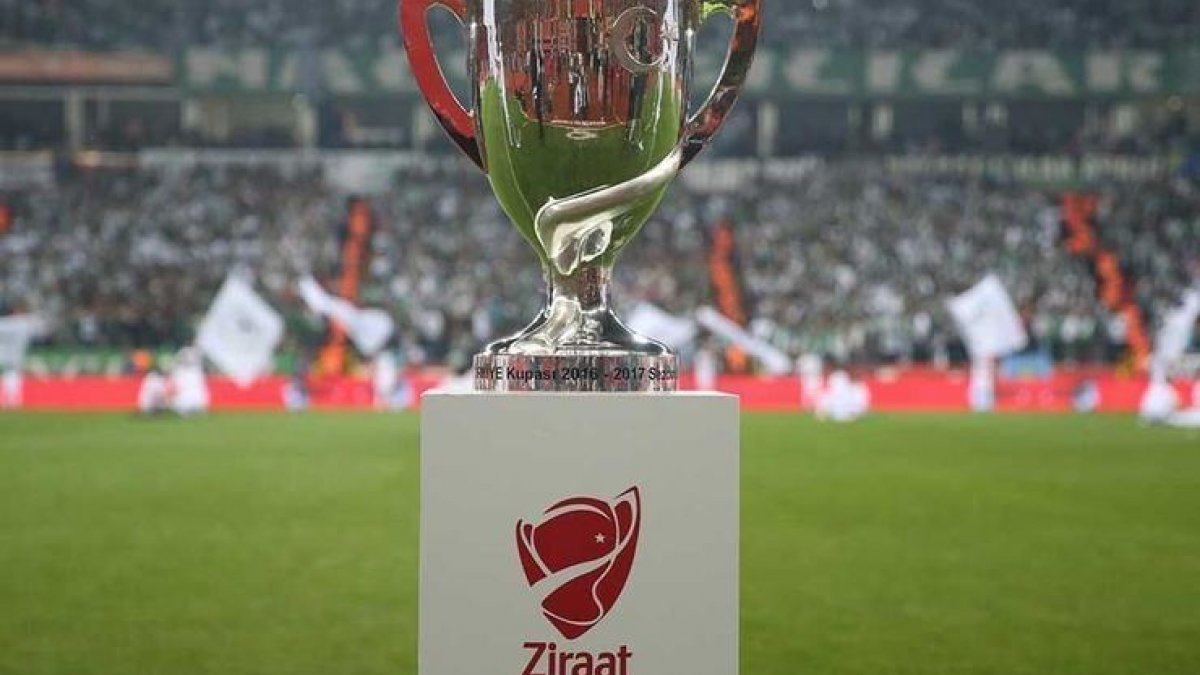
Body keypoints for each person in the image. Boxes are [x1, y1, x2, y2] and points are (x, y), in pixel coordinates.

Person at [171, 346, 210, 416]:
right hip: (186, 378)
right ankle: (186, 409)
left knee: (196, 393)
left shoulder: (196, 369)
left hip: (192, 377)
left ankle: (195, 409)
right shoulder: (181, 369)